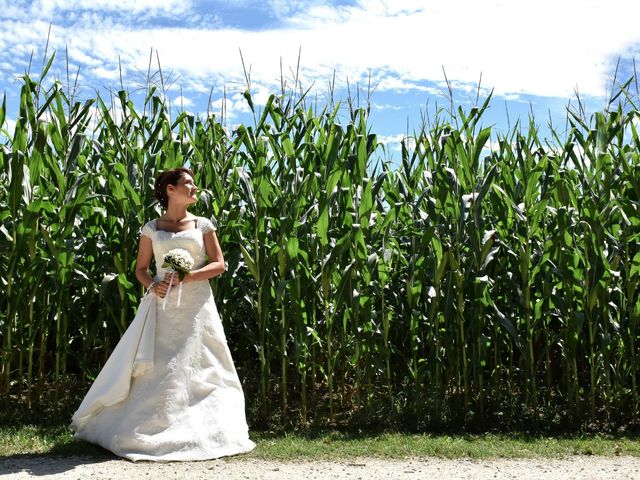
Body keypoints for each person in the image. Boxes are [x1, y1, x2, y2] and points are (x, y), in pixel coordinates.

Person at [70, 167, 255, 461]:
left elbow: (219, 265)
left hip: (196, 306)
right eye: (188, 184)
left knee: (202, 362)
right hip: (161, 305)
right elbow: (141, 270)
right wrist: (153, 285)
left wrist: (187, 277)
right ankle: (142, 427)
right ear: (170, 189)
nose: (195, 188)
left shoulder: (204, 225)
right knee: (157, 365)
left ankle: (205, 427)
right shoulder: (152, 228)